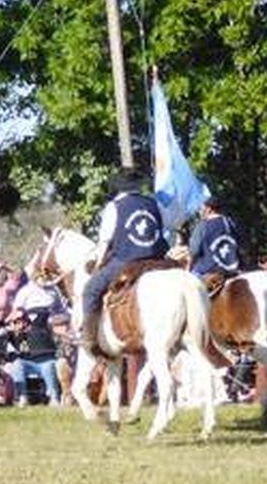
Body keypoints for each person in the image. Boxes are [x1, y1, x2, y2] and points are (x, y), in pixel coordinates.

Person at [81, 168, 170, 324]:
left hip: (126, 261)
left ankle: (89, 336)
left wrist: (98, 265)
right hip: (158, 260)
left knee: (90, 291)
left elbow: (104, 243)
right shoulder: (154, 203)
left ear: (119, 186)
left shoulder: (114, 206)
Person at [9, 276, 68, 405]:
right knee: (17, 365)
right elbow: (19, 349)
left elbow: (62, 312)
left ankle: (54, 397)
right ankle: (22, 397)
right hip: (28, 362)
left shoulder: (49, 327)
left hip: (46, 359)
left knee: (49, 366)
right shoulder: (21, 329)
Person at [187, 199, 241, 278]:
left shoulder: (202, 226)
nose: (199, 211)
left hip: (207, 270)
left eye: (201, 208)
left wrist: (188, 268)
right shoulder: (230, 222)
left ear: (209, 209)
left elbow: (194, 251)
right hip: (231, 269)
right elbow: (241, 244)